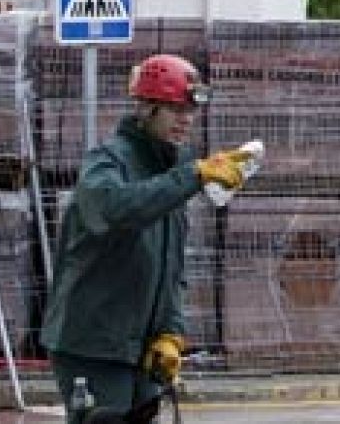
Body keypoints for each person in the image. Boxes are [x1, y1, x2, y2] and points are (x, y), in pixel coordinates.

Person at [40, 54, 254, 424]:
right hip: (94, 347)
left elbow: (171, 267)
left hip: (142, 350)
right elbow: (115, 210)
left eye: (190, 110)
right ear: (146, 108)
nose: (185, 120)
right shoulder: (107, 162)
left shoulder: (173, 171)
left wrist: (171, 333)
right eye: (174, 109)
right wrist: (192, 176)